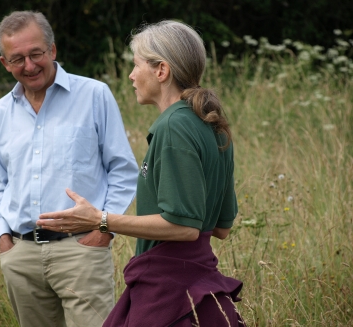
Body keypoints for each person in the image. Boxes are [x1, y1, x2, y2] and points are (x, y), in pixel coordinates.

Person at [37, 20, 246, 327]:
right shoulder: (211, 124)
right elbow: (220, 227)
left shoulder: (173, 126)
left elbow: (184, 227)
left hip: (171, 292)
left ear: (161, 71)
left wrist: (100, 219)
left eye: (136, 66)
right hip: (200, 286)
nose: (132, 76)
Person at [0, 10, 139, 327]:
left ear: (52, 50)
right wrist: (4, 237)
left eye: (36, 54)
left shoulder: (94, 95)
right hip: (20, 256)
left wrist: (104, 230)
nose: (29, 66)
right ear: (5, 63)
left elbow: (123, 170)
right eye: (17, 59)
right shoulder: (0, 113)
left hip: (81, 251)